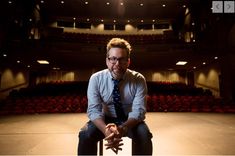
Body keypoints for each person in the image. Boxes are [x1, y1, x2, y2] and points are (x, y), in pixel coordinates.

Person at [78, 38, 153, 155]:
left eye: (122, 59)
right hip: (105, 118)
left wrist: (122, 128)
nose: (117, 64)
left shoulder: (139, 79)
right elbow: (94, 110)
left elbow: (139, 111)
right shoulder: (96, 79)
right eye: (113, 59)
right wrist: (106, 130)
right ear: (107, 61)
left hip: (129, 120)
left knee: (144, 135)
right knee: (85, 134)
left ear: (128, 62)